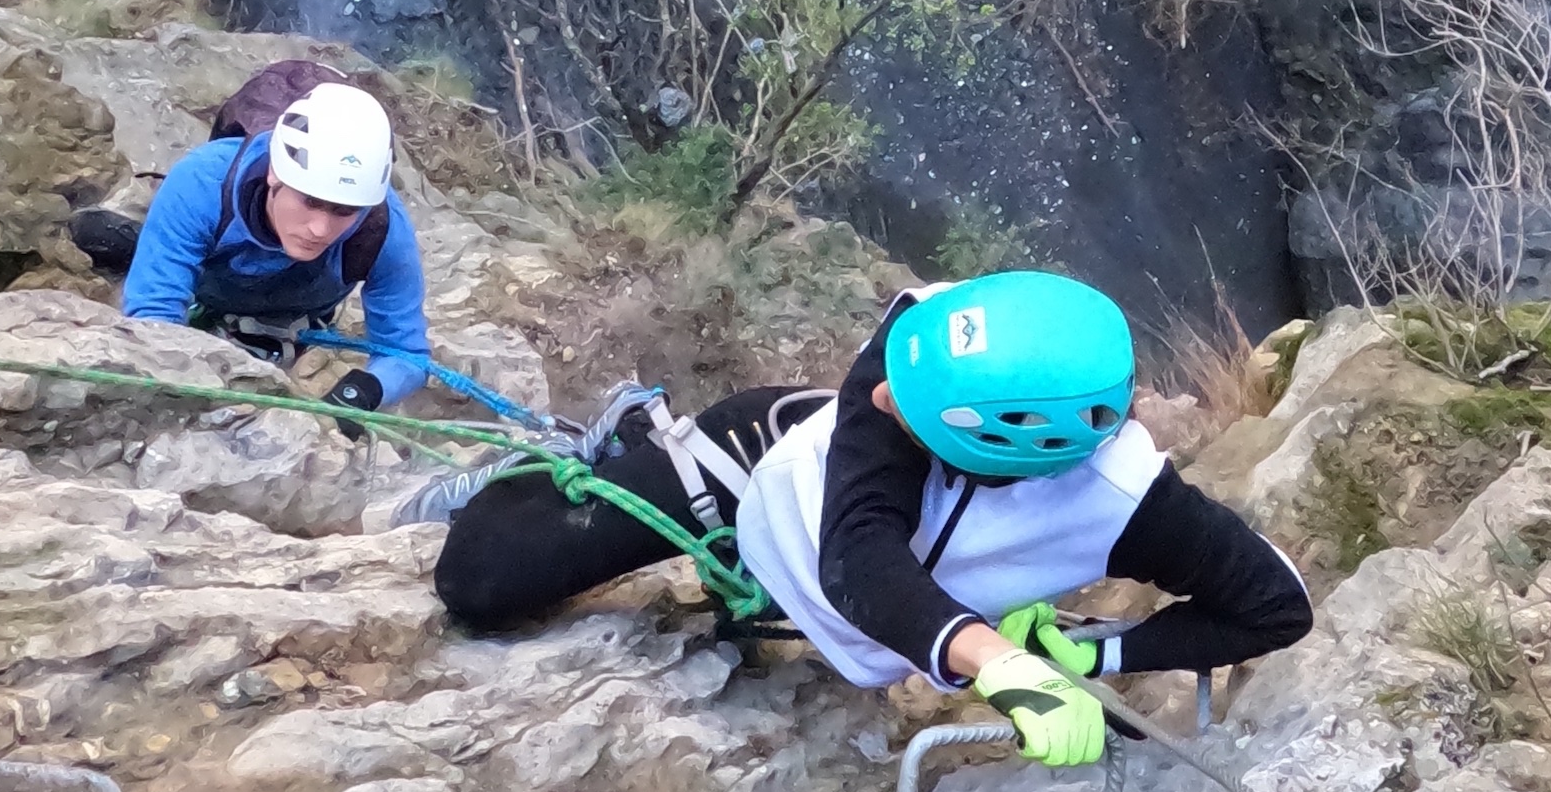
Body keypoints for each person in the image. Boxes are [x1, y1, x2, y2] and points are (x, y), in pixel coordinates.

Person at [432, 271, 1312, 762]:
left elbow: (1277, 607)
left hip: (860, 580)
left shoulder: (1130, 503)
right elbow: (859, 559)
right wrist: (999, 661)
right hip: (753, 479)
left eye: (911, 406)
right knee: (480, 582)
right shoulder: (911, 344)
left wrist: (1096, 653)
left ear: (1020, 444)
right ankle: (594, 452)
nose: (880, 395)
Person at [115, 65, 431, 427]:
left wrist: (363, 392)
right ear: (274, 174)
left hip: (295, 311)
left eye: (344, 211)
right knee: (154, 253)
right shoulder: (202, 183)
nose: (320, 228)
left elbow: (407, 354)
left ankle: (154, 246)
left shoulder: (381, 227)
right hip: (212, 284)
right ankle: (148, 244)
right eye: (310, 201)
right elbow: (154, 319)